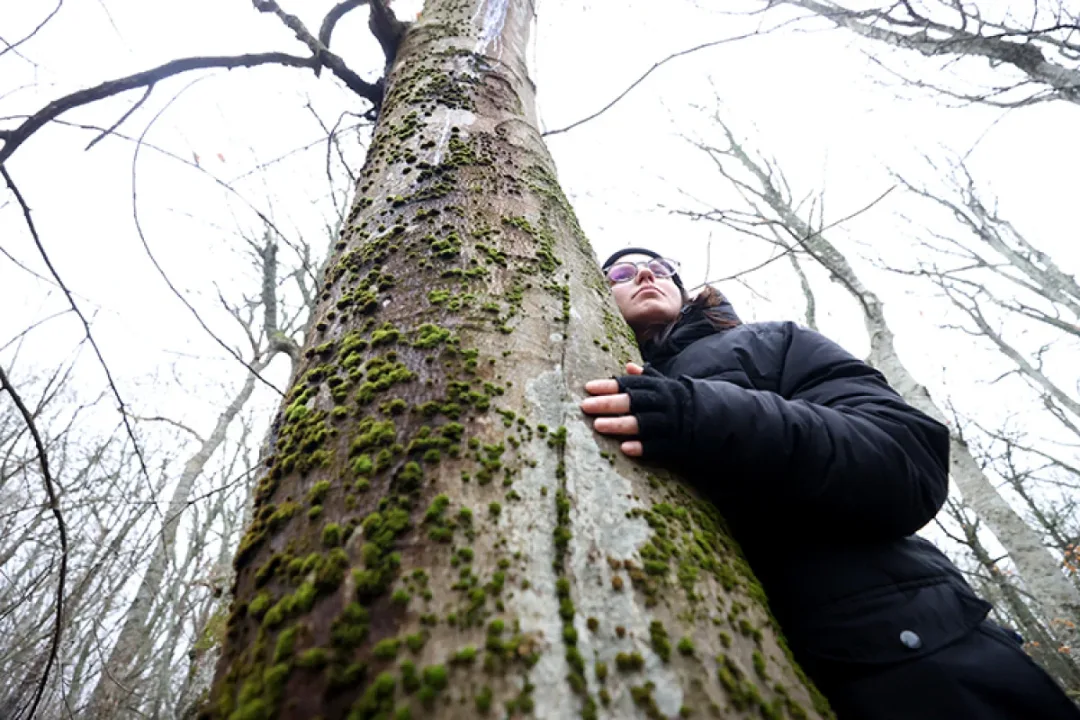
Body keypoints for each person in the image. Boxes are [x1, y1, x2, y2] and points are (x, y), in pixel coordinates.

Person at [579, 247, 1080, 720]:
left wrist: (701, 414)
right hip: (695, 669)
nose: (645, 275)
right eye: (621, 275)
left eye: (660, 267)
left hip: (915, 650)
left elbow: (905, 459)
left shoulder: (772, 343)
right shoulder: (575, 364)